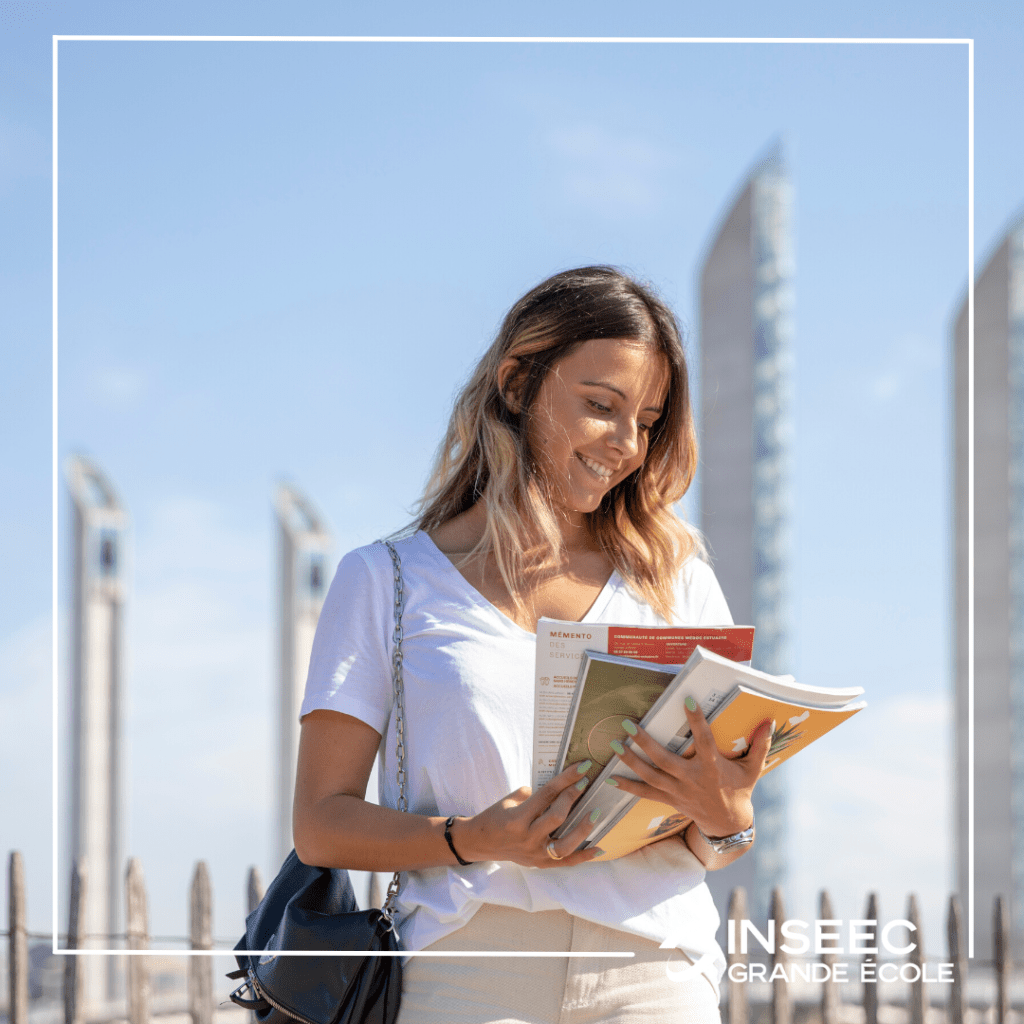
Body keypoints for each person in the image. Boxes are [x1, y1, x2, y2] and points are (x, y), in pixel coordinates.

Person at [293, 266, 772, 1024]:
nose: (626, 446)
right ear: (517, 383)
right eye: (600, 407)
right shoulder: (386, 581)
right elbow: (321, 823)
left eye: (647, 421)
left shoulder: (675, 580)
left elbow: (720, 839)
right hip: (465, 974)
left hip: (655, 972)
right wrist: (474, 837)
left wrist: (724, 814)